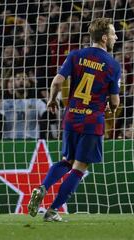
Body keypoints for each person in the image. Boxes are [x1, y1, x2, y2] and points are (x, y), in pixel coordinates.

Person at [28, 18, 121, 222]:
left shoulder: (76, 55)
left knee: (65, 161)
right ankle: (52, 211)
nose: (116, 37)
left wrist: (52, 100)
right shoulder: (113, 65)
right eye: (113, 33)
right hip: (92, 120)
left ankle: (42, 187)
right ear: (104, 38)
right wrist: (111, 108)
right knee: (79, 167)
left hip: (71, 117)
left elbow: (57, 82)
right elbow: (115, 100)